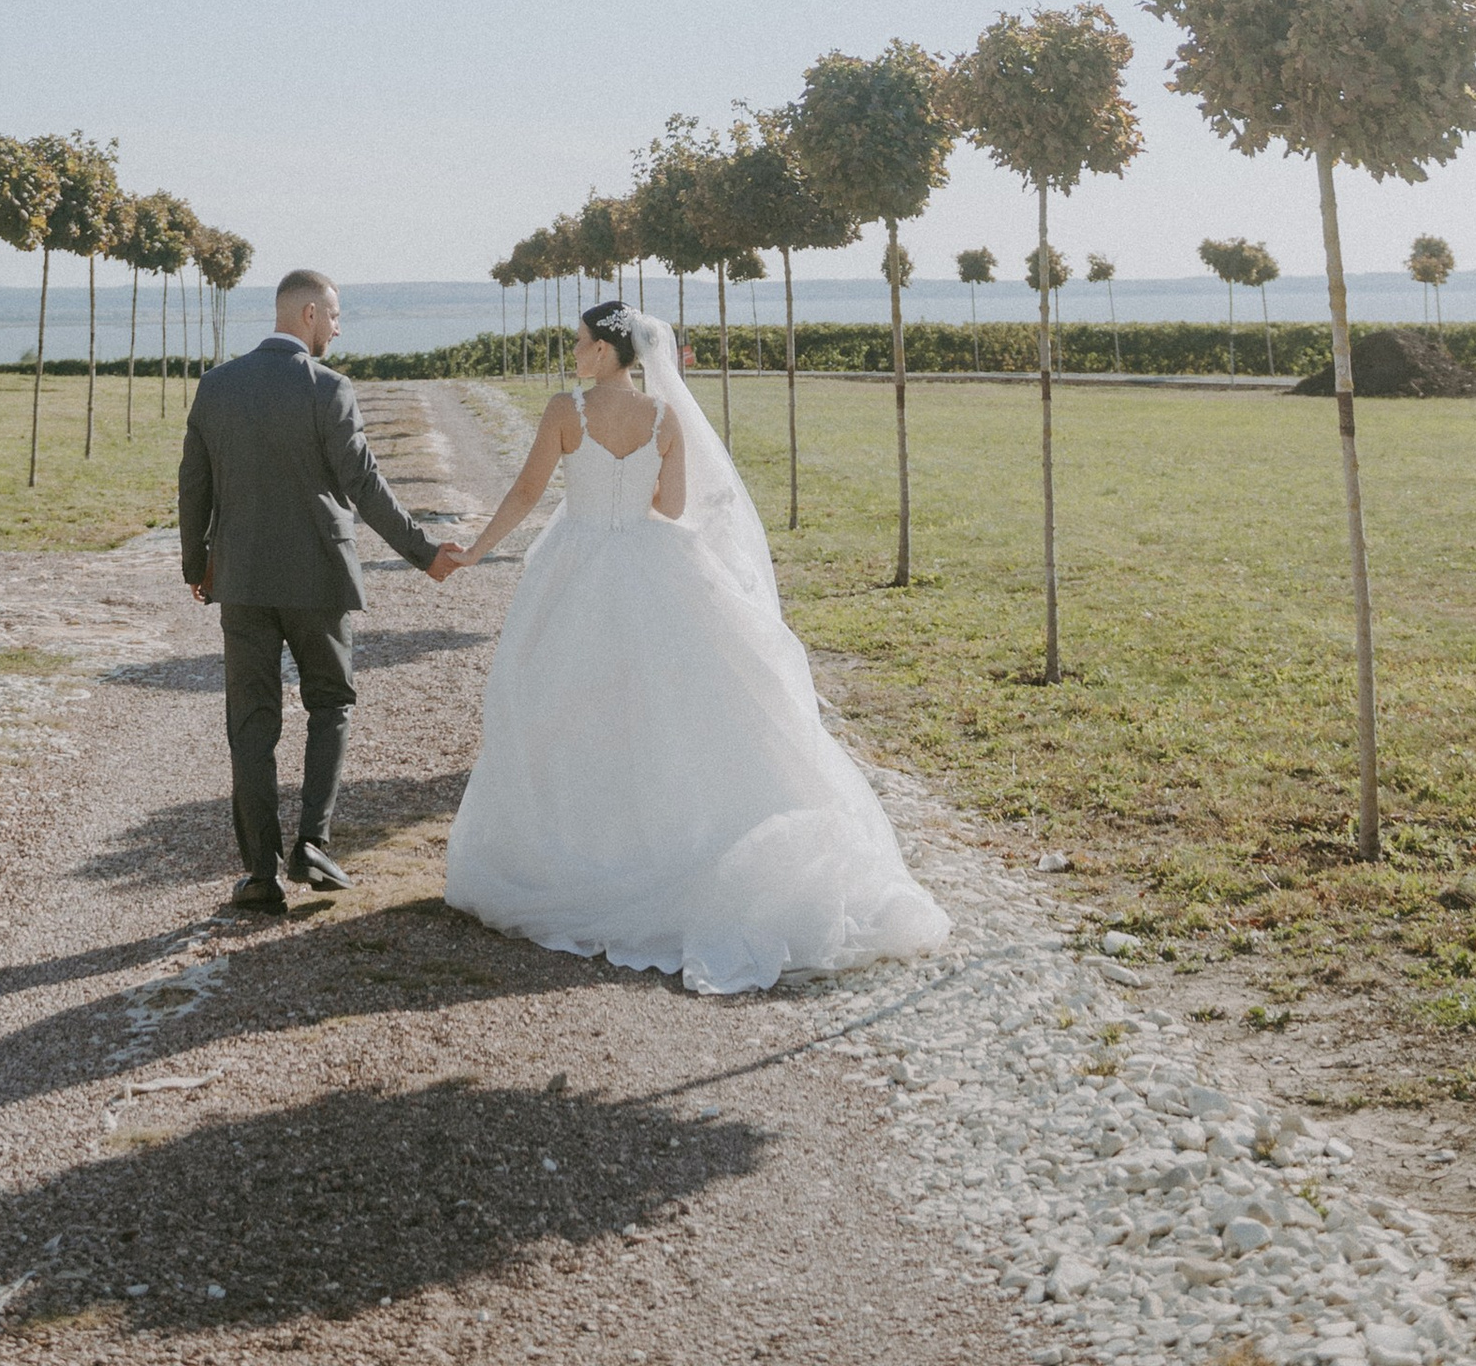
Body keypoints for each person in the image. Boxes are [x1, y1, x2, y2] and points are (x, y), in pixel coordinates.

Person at [443, 299, 949, 993]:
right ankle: (666, 843)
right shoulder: (664, 417)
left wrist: (476, 549)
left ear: (604, 351)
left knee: (565, 702)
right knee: (665, 709)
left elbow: (529, 490)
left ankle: (582, 849)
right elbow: (672, 509)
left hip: (577, 565)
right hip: (651, 562)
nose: (575, 351)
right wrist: (627, 496)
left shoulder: (566, 410)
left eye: (581, 341)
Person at [179, 264, 464, 916]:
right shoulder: (329, 388)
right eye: (334, 316)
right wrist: (425, 554)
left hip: (242, 582)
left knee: (251, 724)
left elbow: (194, 485)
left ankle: (260, 874)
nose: (337, 328)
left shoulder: (217, 387)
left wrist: (198, 567)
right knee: (330, 704)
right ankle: (312, 844)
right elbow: (364, 485)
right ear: (308, 314)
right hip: (318, 578)